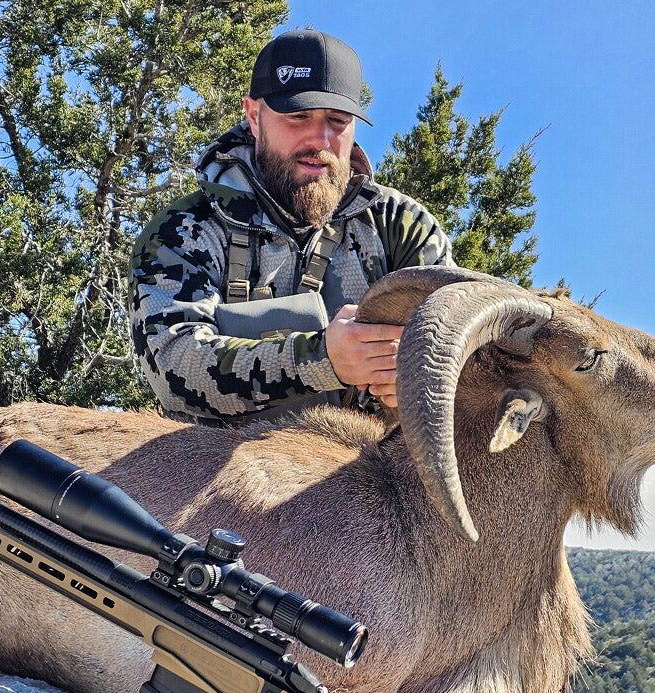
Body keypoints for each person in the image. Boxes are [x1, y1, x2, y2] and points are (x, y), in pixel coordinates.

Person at [130, 29, 453, 423]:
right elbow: (175, 368)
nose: (320, 139)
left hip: (368, 469)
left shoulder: (401, 226)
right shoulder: (184, 231)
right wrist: (321, 359)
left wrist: (413, 378)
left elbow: (459, 340)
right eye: (298, 116)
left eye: (338, 120)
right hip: (217, 471)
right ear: (253, 116)